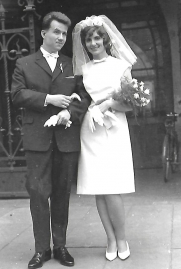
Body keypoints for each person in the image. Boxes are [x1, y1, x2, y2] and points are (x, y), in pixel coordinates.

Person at [11, 12, 91, 269]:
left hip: (65, 139)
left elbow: (84, 97)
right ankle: (41, 250)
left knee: (61, 194)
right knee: (37, 194)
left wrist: (69, 111)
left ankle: (60, 246)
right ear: (43, 33)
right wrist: (50, 99)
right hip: (38, 139)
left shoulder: (72, 64)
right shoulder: (24, 63)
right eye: (56, 32)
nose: (60, 37)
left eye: (64, 34)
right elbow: (17, 94)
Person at [72, 15, 137, 261]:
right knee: (98, 189)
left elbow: (131, 105)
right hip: (92, 130)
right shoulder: (84, 70)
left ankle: (122, 238)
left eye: (97, 37)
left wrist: (109, 103)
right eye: (89, 39)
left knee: (113, 189)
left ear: (105, 39)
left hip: (114, 128)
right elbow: (82, 100)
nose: (93, 43)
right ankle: (109, 238)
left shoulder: (121, 67)